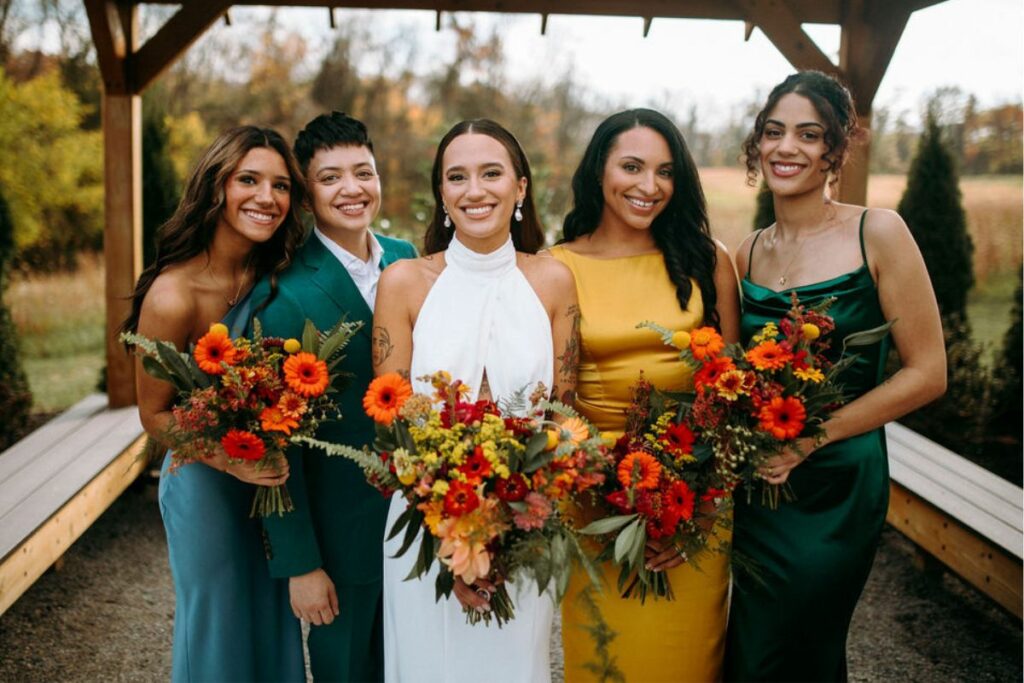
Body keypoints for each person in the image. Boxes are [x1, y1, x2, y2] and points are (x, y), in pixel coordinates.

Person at [724, 71, 947, 682]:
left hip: (837, 485)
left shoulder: (878, 232)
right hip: (762, 487)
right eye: (774, 131)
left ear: (834, 150)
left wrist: (812, 438)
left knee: (800, 641)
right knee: (753, 644)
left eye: (808, 134)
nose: (786, 147)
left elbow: (929, 373)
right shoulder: (747, 252)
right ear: (757, 143)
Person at [372, 119, 579, 683]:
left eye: (491, 173)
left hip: (524, 520)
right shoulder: (403, 282)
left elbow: (563, 417)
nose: (475, 190)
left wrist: (507, 530)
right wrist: (452, 537)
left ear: (520, 187)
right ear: (442, 194)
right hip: (424, 522)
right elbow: (394, 424)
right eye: (457, 177)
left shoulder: (554, 281)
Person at [551, 108, 741, 682]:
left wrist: (701, 508)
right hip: (593, 496)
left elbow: (732, 394)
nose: (649, 186)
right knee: (604, 660)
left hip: (694, 496)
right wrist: (594, 480)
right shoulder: (557, 267)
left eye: (665, 171)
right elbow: (555, 400)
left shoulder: (708, 260)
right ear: (599, 171)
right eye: (631, 167)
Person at [123, 126, 307, 682]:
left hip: (271, 476)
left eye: (280, 185)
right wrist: (232, 460)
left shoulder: (278, 276)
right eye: (248, 180)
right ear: (215, 187)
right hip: (206, 482)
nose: (266, 197)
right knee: (218, 625)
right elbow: (154, 414)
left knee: (272, 620)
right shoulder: (172, 296)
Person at [247, 112, 417, 682]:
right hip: (341, 539)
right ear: (306, 193)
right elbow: (276, 442)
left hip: (424, 519)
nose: (352, 188)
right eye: (330, 177)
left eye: (363, 172)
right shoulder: (284, 295)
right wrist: (300, 563)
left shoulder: (408, 258)